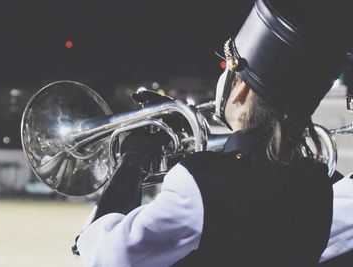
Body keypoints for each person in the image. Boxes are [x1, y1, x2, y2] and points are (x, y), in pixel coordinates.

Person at [73, 0, 348, 266]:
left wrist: (134, 160)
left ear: (240, 89)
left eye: (229, 68)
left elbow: (105, 254)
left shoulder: (198, 185)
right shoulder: (317, 187)